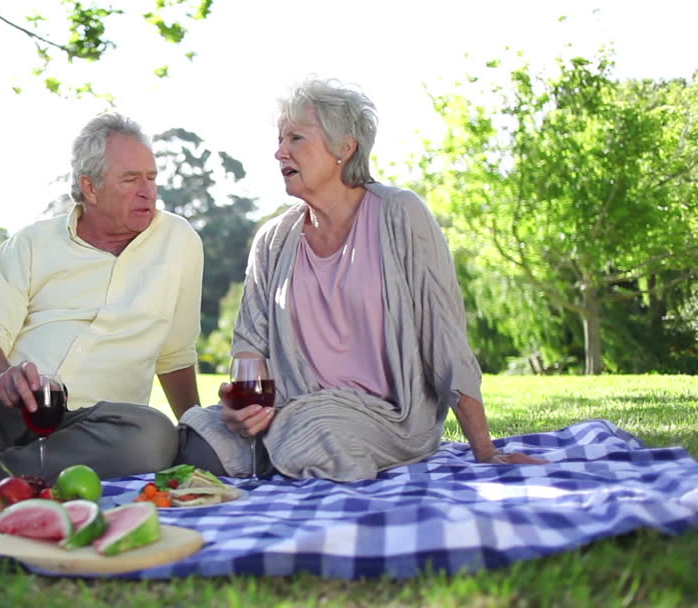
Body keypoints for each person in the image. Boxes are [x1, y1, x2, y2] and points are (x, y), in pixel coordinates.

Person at [176, 78, 546, 481]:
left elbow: (445, 336)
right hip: (288, 411)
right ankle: (280, 456)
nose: (280, 152)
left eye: (295, 138)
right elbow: (250, 344)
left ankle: (281, 458)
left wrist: (485, 450)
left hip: (386, 418)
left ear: (344, 147)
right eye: (279, 140)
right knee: (199, 440)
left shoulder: (400, 214)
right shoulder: (273, 239)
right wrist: (243, 409)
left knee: (315, 431)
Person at [0, 112, 203, 486]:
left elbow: (176, 353)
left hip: (96, 426)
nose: (148, 191)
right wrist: (1, 377)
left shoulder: (179, 241)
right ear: (90, 187)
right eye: (131, 179)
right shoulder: (31, 243)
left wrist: (197, 437)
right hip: (1, 404)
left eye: (151, 177)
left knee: (153, 437)